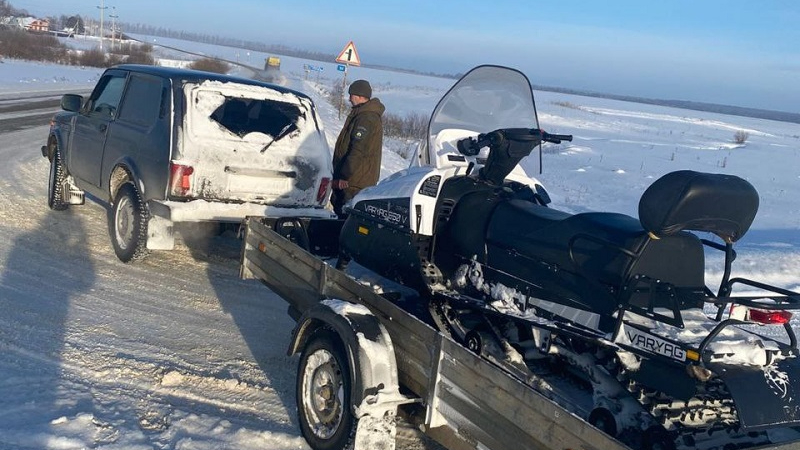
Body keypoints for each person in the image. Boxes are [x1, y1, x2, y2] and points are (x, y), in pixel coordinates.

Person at [331, 79, 385, 216]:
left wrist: (344, 175)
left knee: (345, 215)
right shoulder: (363, 114)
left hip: (353, 182)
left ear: (361, 96)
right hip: (355, 180)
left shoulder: (366, 118)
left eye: (352, 95)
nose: (349, 98)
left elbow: (358, 150)